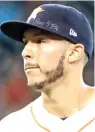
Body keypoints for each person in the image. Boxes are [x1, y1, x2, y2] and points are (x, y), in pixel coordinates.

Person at [0, 3, 94, 132]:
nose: (25, 52)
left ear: (74, 53)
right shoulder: (11, 127)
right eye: (26, 42)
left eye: (40, 41)